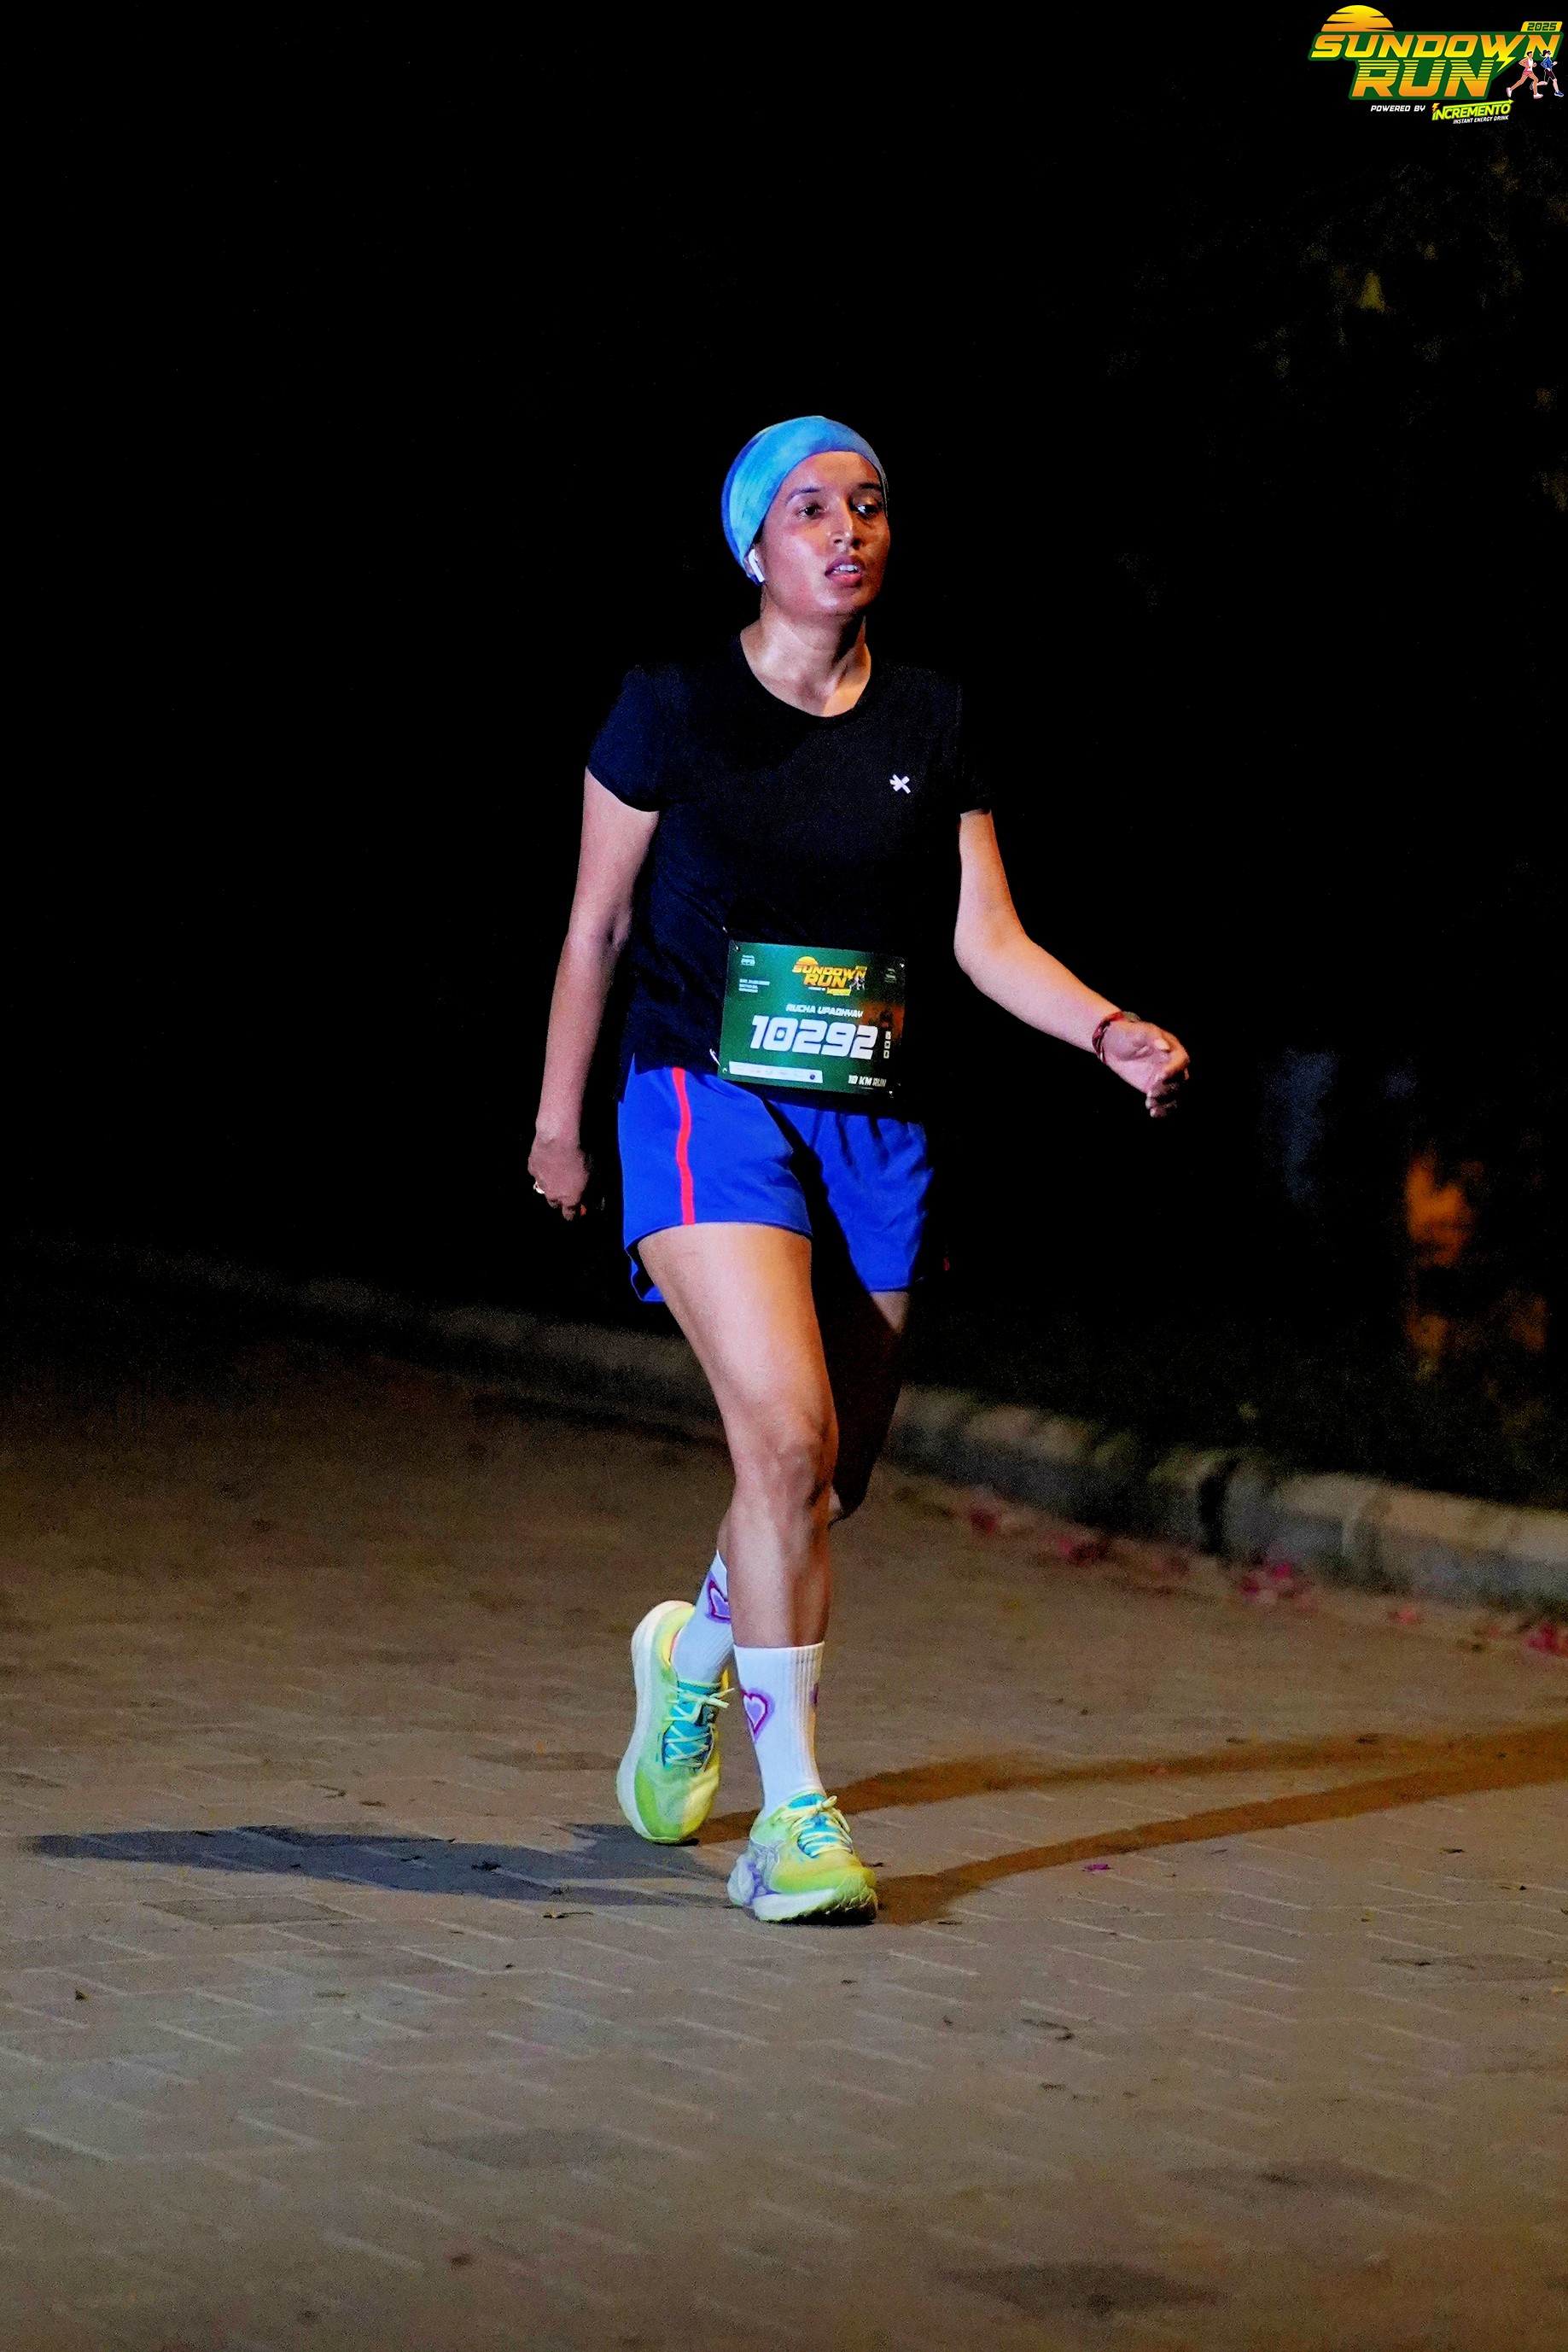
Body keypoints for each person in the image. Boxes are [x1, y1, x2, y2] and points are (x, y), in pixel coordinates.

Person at [529, 416, 1189, 1924]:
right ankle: (793, 1819)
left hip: (873, 1124)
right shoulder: (669, 705)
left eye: (869, 505)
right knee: (780, 1436)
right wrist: (559, 1121)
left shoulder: (933, 718)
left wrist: (1106, 1031)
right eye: (811, 509)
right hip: (702, 1099)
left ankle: (688, 1661)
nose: (846, 530)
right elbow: (596, 926)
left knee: (824, 1474)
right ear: (753, 545)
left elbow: (985, 938)